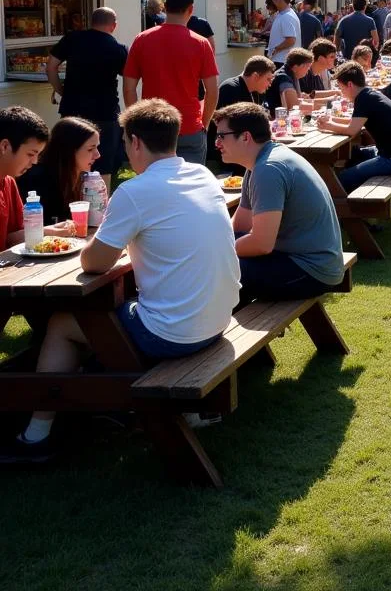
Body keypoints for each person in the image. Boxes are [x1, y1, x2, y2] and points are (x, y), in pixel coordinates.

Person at [0, 99, 240, 464]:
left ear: (136, 142)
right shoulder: (202, 174)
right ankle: (82, 400)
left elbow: (94, 263)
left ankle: (36, 435)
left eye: (125, 142)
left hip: (176, 333)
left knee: (63, 324)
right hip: (219, 318)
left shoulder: (135, 191)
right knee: (106, 309)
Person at [214, 103, 346, 303]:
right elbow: (240, 225)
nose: (216, 143)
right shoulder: (259, 164)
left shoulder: (268, 169)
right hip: (300, 260)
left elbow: (261, 244)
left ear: (246, 137)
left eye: (222, 136)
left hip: (313, 270)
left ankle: (202, 330)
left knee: (218, 270)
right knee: (222, 264)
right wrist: (213, 244)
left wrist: (215, 253)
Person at [123, 0, 218, 165]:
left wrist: (135, 123)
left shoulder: (142, 40)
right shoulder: (201, 43)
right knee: (191, 187)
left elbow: (129, 89)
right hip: (189, 125)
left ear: (164, 8)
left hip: (152, 126)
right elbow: (212, 91)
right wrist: (204, 125)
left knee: (154, 186)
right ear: (191, 9)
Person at [46, 6, 128, 183]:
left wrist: (61, 90)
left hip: (72, 109)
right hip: (105, 112)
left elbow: (51, 66)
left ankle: (69, 201)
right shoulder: (117, 48)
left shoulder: (72, 38)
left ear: (91, 23)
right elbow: (128, 79)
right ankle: (101, 205)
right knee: (103, 162)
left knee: (70, 158)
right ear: (113, 26)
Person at [317, 62, 391, 191]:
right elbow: (353, 123)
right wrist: (330, 120)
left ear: (350, 85)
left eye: (341, 89)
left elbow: (352, 130)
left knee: (343, 178)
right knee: (353, 155)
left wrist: (328, 125)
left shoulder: (364, 99)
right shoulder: (368, 94)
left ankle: (348, 208)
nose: (342, 93)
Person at [0, 108, 78, 247]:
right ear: (5, 146)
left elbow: (10, 238)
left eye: (38, 155)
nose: (35, 162)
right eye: (30, 154)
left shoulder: (8, 182)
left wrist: (47, 231)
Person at [17, 117, 101, 225]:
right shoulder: (36, 181)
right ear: (69, 151)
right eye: (90, 149)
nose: (97, 155)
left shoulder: (85, 180)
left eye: (97, 148)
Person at [265, 48, 314, 114]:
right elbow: (293, 106)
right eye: (307, 67)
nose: (308, 71)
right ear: (297, 67)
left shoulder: (292, 74)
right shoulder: (284, 78)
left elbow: (297, 100)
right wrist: (324, 105)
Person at [266, 0, 302, 66]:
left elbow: (291, 40)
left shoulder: (287, 16)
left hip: (282, 61)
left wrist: (275, 49)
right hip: (282, 60)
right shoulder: (284, 14)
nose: (272, 1)